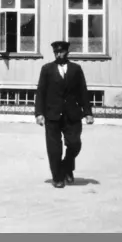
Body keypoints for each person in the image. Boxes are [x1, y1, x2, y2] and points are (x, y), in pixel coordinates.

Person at [34, 40, 93, 188]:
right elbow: (41, 92)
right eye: (56, 52)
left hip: (72, 114)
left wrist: (87, 112)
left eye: (61, 52)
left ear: (67, 52)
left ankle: (66, 167)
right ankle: (57, 177)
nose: (58, 54)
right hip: (52, 114)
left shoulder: (76, 69)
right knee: (54, 149)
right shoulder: (47, 69)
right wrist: (39, 113)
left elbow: (83, 92)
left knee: (75, 144)